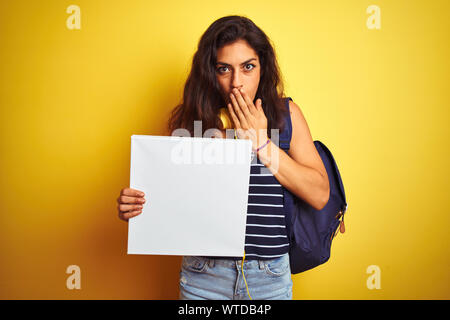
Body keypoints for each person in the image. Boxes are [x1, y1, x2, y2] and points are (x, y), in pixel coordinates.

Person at [116, 15, 329, 300]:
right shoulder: (193, 121)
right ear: (210, 72)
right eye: (224, 69)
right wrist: (137, 208)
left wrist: (262, 143)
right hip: (203, 277)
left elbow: (319, 194)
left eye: (248, 67)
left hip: (270, 277)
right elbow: (172, 203)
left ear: (262, 68)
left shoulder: (285, 115)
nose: (236, 82)